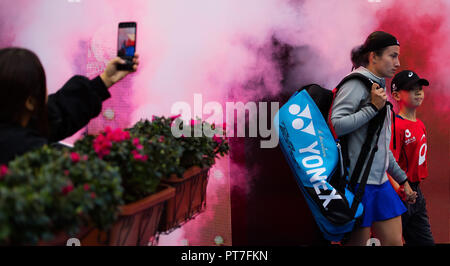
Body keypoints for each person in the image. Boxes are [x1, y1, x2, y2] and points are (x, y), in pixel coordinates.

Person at [330, 31, 417, 246]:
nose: (397, 63)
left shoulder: (377, 86)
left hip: (381, 183)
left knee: (396, 243)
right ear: (373, 57)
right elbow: (338, 125)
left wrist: (403, 180)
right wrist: (372, 108)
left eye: (397, 56)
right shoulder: (355, 83)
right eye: (392, 55)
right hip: (357, 183)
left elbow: (381, 147)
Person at [0, 47, 139, 165]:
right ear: (30, 102)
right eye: (42, 85)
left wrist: (104, 80)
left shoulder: (17, 125)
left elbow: (57, 113)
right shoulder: (32, 154)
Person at [389, 70, 434, 245]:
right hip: (400, 194)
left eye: (420, 88)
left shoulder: (420, 124)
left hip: (416, 195)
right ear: (396, 95)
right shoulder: (396, 126)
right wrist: (401, 189)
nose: (418, 92)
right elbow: (388, 163)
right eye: (410, 89)